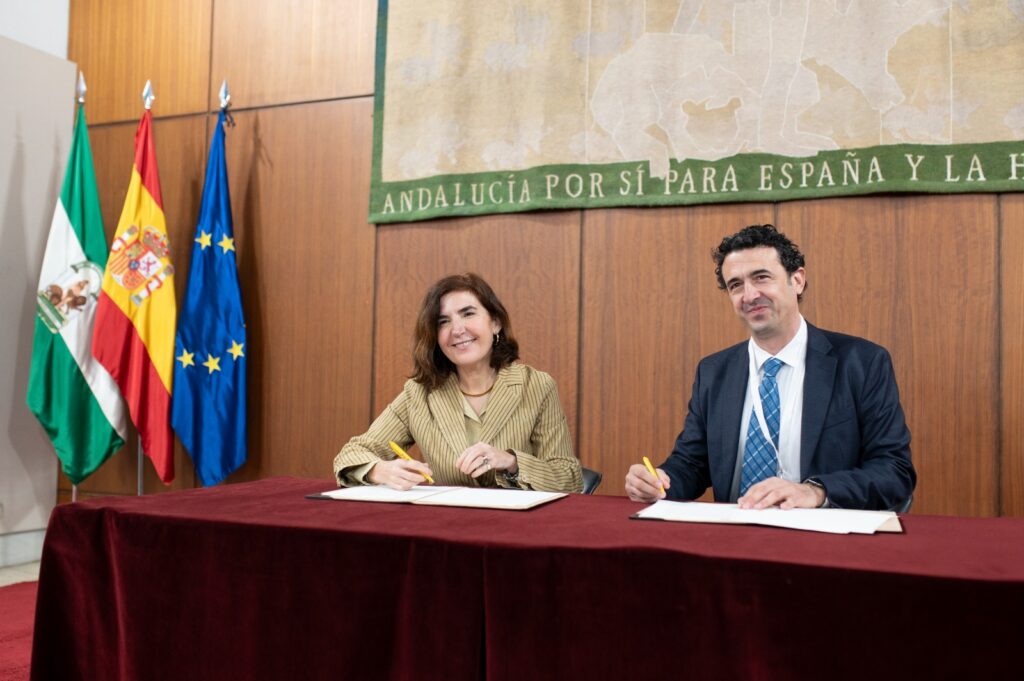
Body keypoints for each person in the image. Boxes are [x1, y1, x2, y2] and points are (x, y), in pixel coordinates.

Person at [625, 224, 915, 510]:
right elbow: (691, 464)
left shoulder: (862, 362)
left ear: (797, 280)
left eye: (761, 277)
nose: (749, 295)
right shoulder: (714, 372)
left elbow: (894, 471)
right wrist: (660, 481)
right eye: (735, 285)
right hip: (734, 540)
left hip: (825, 541)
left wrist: (816, 492)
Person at [334, 273, 583, 493]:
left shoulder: (536, 386)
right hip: (447, 526)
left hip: (516, 530)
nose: (457, 329)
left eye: (468, 314)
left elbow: (569, 477)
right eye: (443, 322)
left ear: (495, 322)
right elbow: (352, 452)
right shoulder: (419, 393)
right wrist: (379, 470)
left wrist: (511, 462)